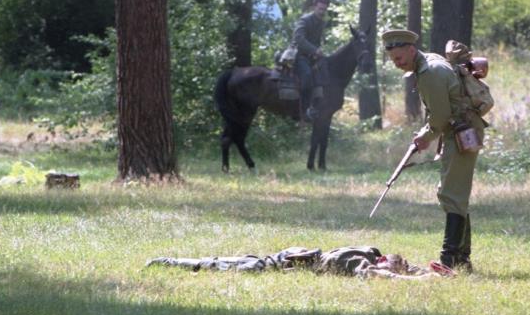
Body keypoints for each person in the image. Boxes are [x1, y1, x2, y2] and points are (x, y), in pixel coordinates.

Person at [381, 29, 490, 273]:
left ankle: (449, 260)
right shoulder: (428, 62)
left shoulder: (429, 72)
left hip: (462, 132)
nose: (397, 64)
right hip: (460, 129)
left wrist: (426, 136)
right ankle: (461, 259)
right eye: (393, 59)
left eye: (399, 58)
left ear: (411, 50)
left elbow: (440, 116)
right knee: (454, 192)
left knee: (452, 194)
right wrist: (428, 133)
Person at [147, 245, 453, 279]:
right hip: (272, 264)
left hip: (286, 261)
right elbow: (374, 273)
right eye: (388, 265)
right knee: (218, 265)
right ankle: (170, 262)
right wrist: (417, 280)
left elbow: (404, 268)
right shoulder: (353, 259)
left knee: (220, 264)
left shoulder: (381, 258)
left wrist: (433, 275)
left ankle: (170, 261)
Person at [292, 0, 331, 122]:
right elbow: (298, 39)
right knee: (307, 75)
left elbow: (317, 41)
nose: (322, 11)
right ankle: (304, 111)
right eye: (320, 8)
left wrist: (319, 52)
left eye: (324, 9)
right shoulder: (305, 20)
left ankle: (320, 107)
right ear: (314, 7)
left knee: (326, 73)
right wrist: (315, 50)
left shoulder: (322, 23)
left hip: (312, 57)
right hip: (299, 55)